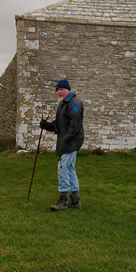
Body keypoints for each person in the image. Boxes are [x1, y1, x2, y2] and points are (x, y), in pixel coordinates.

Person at [40, 79, 84, 211]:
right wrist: (46, 126)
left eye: (62, 89)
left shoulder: (74, 103)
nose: (59, 92)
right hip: (66, 140)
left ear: (68, 90)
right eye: (57, 90)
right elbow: (58, 125)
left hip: (71, 141)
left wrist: (66, 140)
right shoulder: (63, 104)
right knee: (69, 168)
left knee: (62, 168)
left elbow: (75, 125)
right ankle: (75, 200)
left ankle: (63, 200)